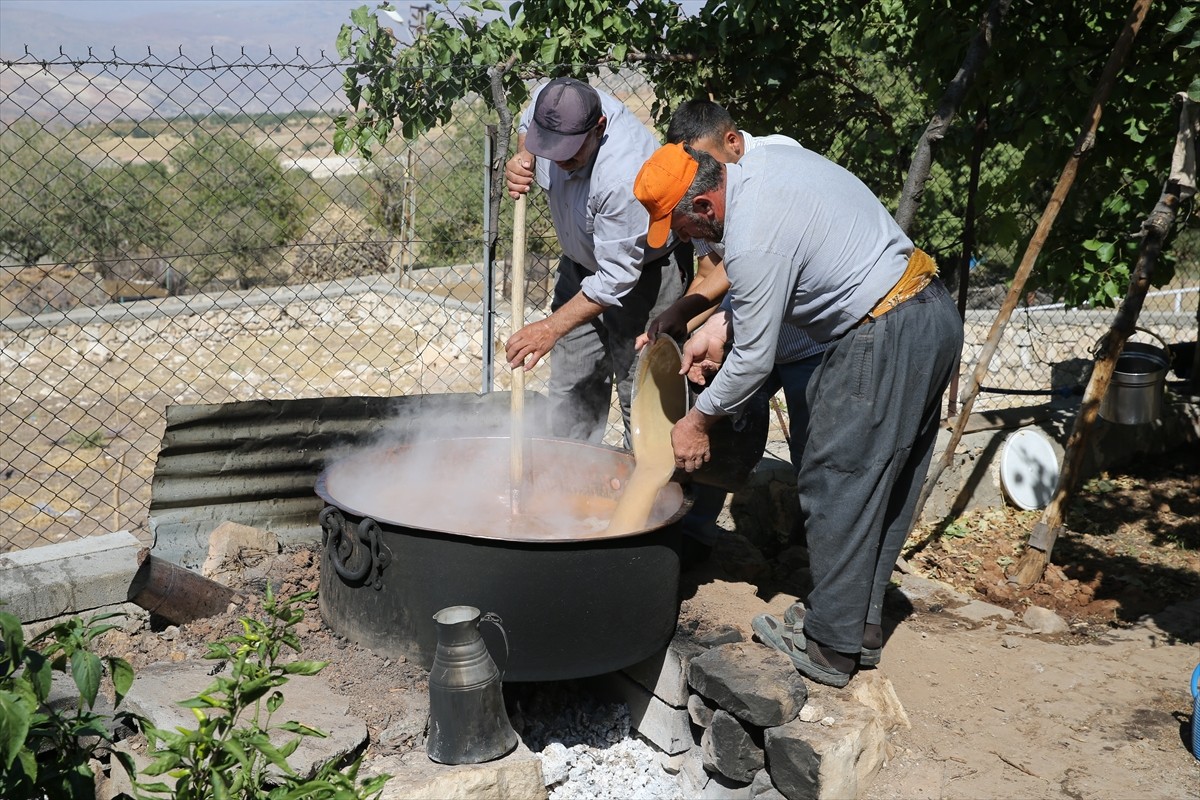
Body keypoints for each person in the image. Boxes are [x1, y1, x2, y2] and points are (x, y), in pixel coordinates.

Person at [633, 142, 963, 687]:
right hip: (930, 313)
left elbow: (754, 359)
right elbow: (786, 271)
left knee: (837, 480)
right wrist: (717, 327)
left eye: (683, 226)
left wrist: (695, 422)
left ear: (706, 206)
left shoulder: (752, 238)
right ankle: (858, 626)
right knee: (890, 481)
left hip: (879, 333)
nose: (683, 239)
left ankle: (830, 647)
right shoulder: (766, 164)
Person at [635, 100, 827, 562]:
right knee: (713, 430)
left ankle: (819, 568)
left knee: (815, 454)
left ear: (732, 141)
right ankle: (695, 538)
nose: (701, 170)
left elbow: (760, 262)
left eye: (706, 162)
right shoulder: (698, 185)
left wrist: (715, 322)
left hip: (805, 339)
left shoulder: (775, 163)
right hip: (749, 334)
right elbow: (715, 269)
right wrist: (678, 317)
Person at [504, 77, 689, 445]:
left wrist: (550, 328)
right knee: (570, 396)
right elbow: (527, 124)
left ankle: (649, 494)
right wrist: (525, 154)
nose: (557, 159)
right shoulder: (551, 101)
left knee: (643, 399)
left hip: (643, 281)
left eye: (569, 152)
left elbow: (617, 278)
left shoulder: (623, 175)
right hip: (580, 269)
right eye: (549, 148)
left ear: (599, 127)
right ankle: (568, 485)